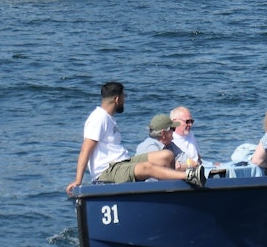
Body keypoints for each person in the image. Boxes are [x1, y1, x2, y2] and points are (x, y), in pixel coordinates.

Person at [66, 82, 204, 195]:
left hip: (122, 163)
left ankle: (172, 191)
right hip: (107, 171)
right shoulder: (98, 118)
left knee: (166, 155)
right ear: (117, 99)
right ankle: (189, 176)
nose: (124, 100)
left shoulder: (109, 119)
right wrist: (78, 180)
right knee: (147, 167)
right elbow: (85, 150)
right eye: (124, 96)